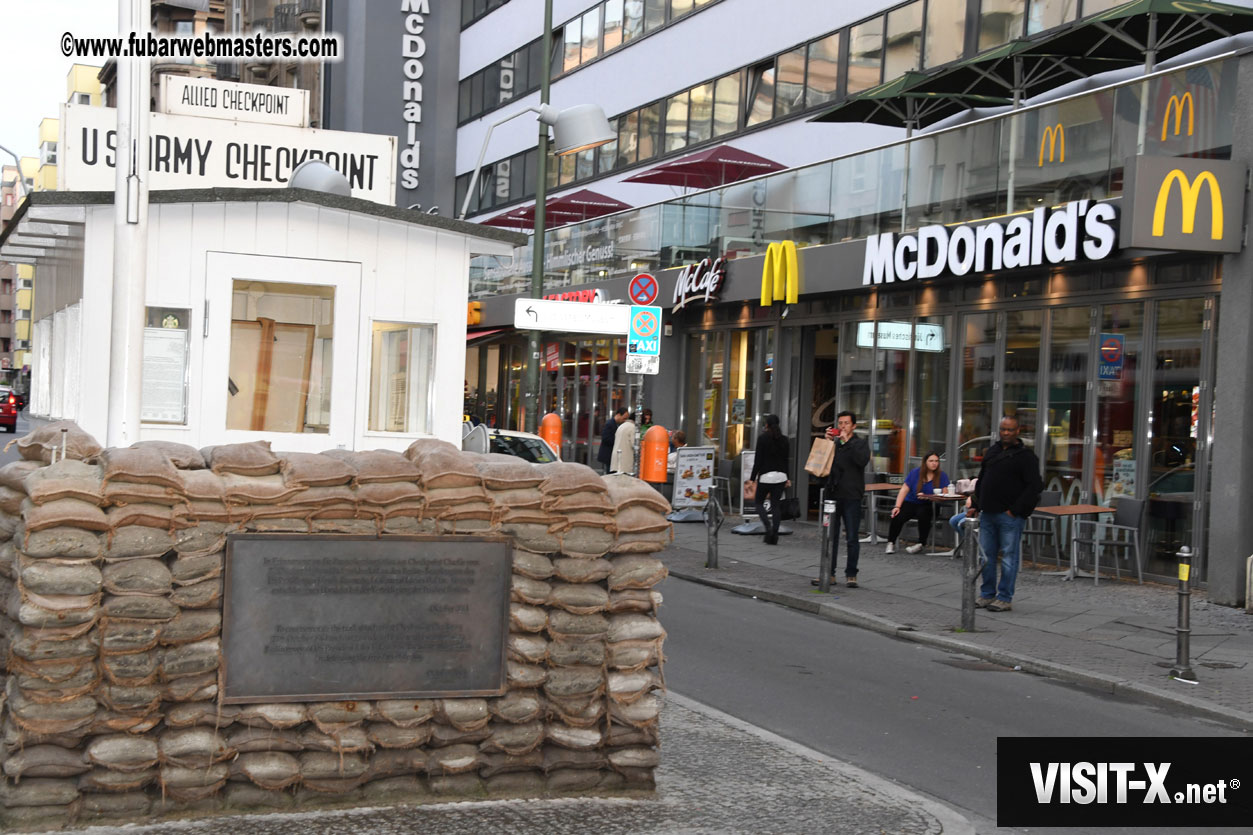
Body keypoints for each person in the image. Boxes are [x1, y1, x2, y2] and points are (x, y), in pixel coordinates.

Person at [967, 415, 1043, 612]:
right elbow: (982, 479)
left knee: (1009, 558)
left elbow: (1034, 487)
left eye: (1010, 430)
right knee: (986, 557)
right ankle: (987, 594)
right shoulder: (992, 451)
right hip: (988, 513)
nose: (1006, 433)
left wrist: (1016, 511)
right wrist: (975, 503)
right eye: (1003, 429)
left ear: (1018, 431)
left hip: (1009, 516)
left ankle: (1004, 597)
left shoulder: (1026, 457)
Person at [815, 411, 870, 588]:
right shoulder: (834, 444)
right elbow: (821, 463)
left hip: (852, 496)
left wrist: (846, 441)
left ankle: (851, 574)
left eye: (846, 423)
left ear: (854, 426)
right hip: (833, 495)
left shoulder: (860, 444)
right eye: (840, 423)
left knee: (852, 537)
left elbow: (861, 461)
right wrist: (827, 442)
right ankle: (828, 573)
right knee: (830, 536)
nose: (843, 426)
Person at [886, 451, 951, 554]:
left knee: (923, 514)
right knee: (897, 515)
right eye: (931, 461)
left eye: (936, 461)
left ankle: (921, 544)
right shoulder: (915, 473)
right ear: (925, 462)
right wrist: (897, 506)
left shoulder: (942, 475)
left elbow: (944, 495)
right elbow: (904, 490)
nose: (934, 463)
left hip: (930, 504)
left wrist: (931, 497)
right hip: (912, 501)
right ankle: (891, 543)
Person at [747, 415, 790, 545]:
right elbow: (786, 460)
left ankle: (768, 527)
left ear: (766, 425)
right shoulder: (785, 440)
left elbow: (758, 461)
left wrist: (752, 478)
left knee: (759, 502)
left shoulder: (762, 439)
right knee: (776, 505)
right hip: (781, 476)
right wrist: (787, 477)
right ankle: (775, 534)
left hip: (766, 476)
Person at [598, 407, 627, 473]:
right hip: (608, 455)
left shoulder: (615, 424)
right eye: (624, 418)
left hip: (610, 456)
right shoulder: (610, 424)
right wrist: (618, 440)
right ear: (619, 415)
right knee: (609, 474)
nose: (624, 421)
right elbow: (605, 438)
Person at [609, 410, 637, 474]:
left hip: (616, 458)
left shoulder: (621, 426)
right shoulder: (632, 428)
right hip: (625, 460)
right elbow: (634, 444)